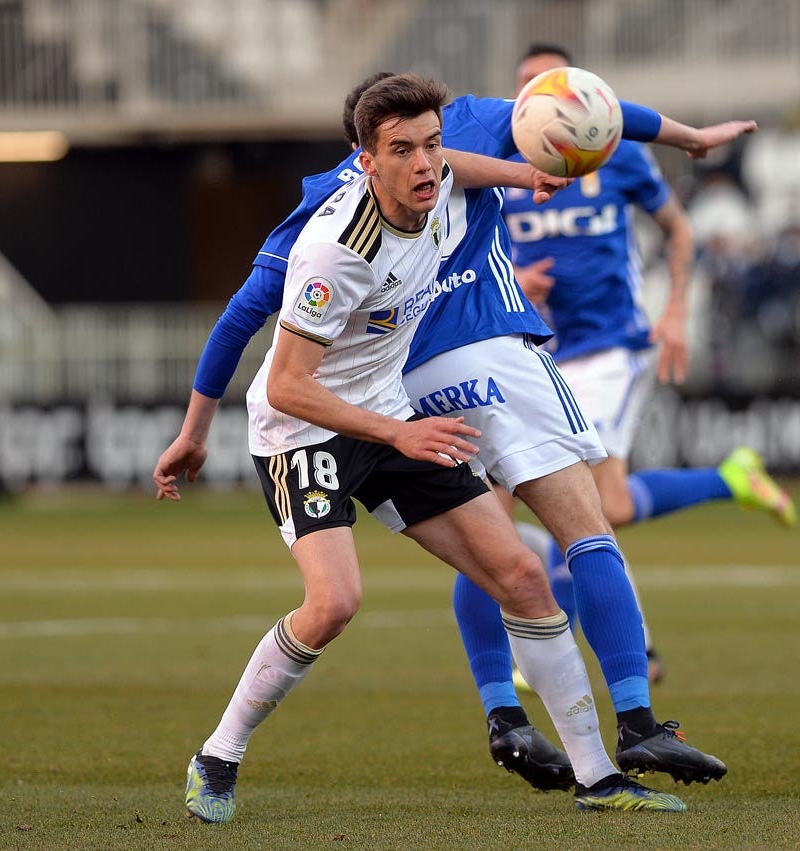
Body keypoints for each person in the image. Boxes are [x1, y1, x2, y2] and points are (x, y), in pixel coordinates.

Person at [157, 72, 755, 798]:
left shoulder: (437, 179)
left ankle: (599, 779)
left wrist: (523, 174)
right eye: (401, 150)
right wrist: (199, 433)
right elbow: (286, 384)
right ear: (363, 160)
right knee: (335, 603)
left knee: (524, 577)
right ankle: (218, 755)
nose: (424, 164)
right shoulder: (333, 250)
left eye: (431, 147)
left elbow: (457, 167)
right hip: (303, 432)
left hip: (388, 414)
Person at [499, 44, 797, 685]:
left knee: (565, 494)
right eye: (526, 83)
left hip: (610, 348)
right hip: (536, 354)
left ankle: (555, 642)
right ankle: (732, 480)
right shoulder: (500, 165)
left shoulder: (619, 154)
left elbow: (680, 230)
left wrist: (676, 313)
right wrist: (514, 279)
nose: (536, 93)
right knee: (610, 505)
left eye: (549, 81)